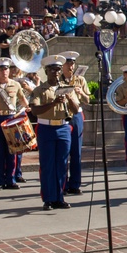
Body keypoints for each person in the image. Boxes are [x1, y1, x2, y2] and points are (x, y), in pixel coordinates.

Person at [28, 55, 78, 210]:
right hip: (46, 128)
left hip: (63, 127)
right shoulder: (39, 90)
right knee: (48, 165)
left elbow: (75, 110)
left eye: (58, 69)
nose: (56, 72)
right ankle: (48, 198)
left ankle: (59, 197)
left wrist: (69, 98)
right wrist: (53, 103)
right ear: (46, 70)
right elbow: (35, 110)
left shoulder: (66, 87)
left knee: (62, 165)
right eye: (52, 69)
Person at [0, 58, 28, 190]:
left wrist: (21, 110)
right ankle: (0, 180)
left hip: (11, 117)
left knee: (12, 149)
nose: (4, 72)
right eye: (1, 69)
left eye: (6, 69)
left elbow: (23, 100)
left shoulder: (15, 84)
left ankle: (11, 179)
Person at [59, 51, 92, 195]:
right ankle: (63, 183)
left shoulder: (80, 80)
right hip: (63, 115)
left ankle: (75, 184)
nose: (71, 66)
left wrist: (81, 93)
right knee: (63, 152)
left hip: (77, 114)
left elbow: (88, 100)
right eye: (68, 63)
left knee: (76, 152)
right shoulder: (57, 79)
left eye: (72, 63)